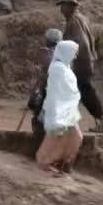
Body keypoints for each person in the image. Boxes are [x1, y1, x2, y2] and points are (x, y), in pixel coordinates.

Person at [58, 0, 103, 133]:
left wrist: (70, 60)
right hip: (85, 61)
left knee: (85, 92)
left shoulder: (74, 21)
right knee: (83, 92)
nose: (61, 10)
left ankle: (102, 121)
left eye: (63, 6)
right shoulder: (80, 18)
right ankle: (99, 121)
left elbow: (80, 43)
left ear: (70, 7)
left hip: (81, 62)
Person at [37, 40, 83, 174]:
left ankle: (63, 164)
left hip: (68, 109)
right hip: (61, 109)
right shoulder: (58, 69)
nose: (75, 56)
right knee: (57, 138)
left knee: (71, 138)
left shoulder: (64, 67)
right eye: (74, 53)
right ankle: (46, 162)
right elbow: (61, 90)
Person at [27, 28, 63, 159]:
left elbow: (42, 76)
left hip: (46, 93)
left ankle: (38, 151)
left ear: (47, 41)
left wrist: (35, 91)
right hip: (55, 94)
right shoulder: (62, 56)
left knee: (39, 121)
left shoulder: (47, 55)